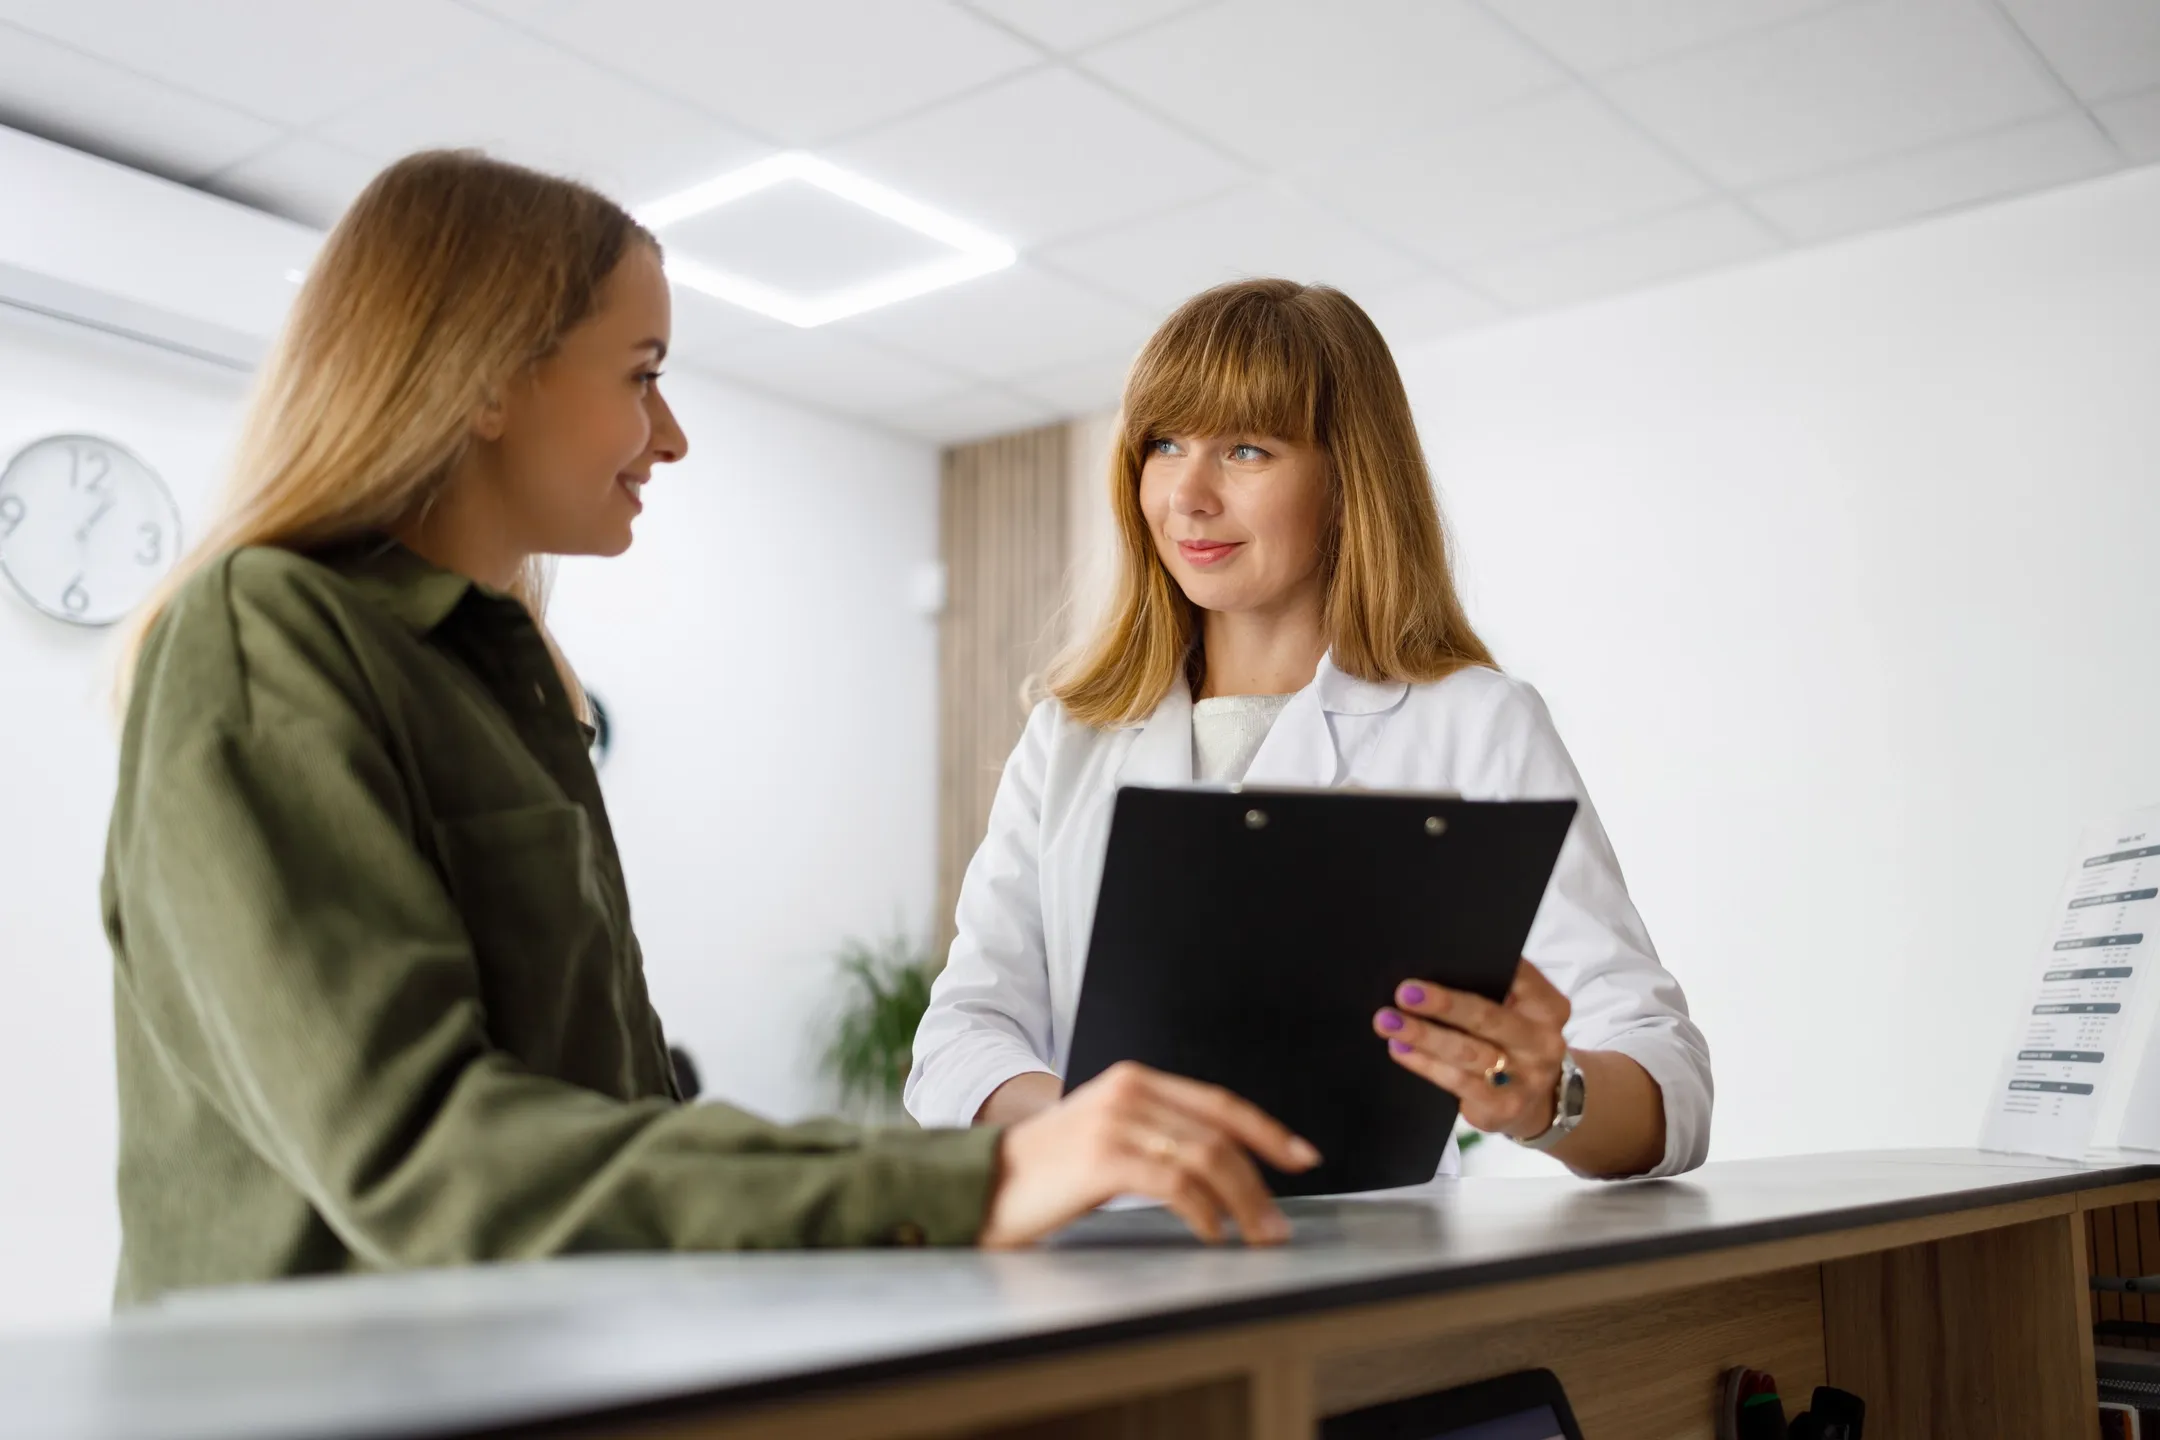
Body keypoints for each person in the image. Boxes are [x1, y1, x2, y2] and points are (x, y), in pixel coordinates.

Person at [101, 153, 1319, 1307]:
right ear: (482, 377)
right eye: (641, 373)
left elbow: (602, 1116)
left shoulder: (507, 684)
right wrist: (984, 1174)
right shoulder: (265, 638)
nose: (670, 435)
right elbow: (418, 1152)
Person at [906, 280, 1711, 1181]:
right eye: (1164, 445)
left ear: (1348, 478)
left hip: (1370, 1281)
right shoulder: (1070, 736)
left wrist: (1545, 1094)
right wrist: (1114, 1136)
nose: (1188, 496)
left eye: (1246, 449)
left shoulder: (1474, 721)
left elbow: (1665, 1073)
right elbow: (961, 1037)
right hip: (1103, 1266)